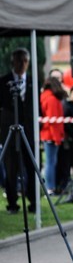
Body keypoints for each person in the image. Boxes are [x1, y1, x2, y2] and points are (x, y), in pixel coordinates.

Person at [0, 48, 36, 213]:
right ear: (13, 62)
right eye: (19, 60)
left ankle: (33, 201)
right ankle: (12, 202)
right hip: (9, 129)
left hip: (29, 130)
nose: (22, 64)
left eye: (25, 61)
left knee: (32, 165)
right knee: (11, 167)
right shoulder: (4, 81)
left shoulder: (33, 81)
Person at [39, 76, 66, 195]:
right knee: (50, 162)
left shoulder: (45, 96)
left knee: (50, 162)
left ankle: (49, 187)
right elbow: (53, 121)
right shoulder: (52, 99)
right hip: (51, 135)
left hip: (47, 134)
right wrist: (57, 138)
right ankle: (50, 188)